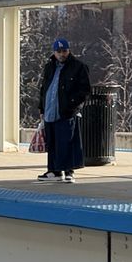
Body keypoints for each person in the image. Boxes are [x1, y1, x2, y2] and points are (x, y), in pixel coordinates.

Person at [36, 37, 90, 183]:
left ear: (69, 50)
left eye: (64, 51)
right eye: (58, 51)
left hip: (66, 112)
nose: (61, 54)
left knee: (66, 141)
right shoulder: (49, 67)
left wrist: (72, 105)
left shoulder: (79, 67)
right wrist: (41, 107)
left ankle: (69, 171)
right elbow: (44, 89)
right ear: (54, 52)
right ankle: (54, 171)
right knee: (52, 142)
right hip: (49, 111)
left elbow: (85, 90)